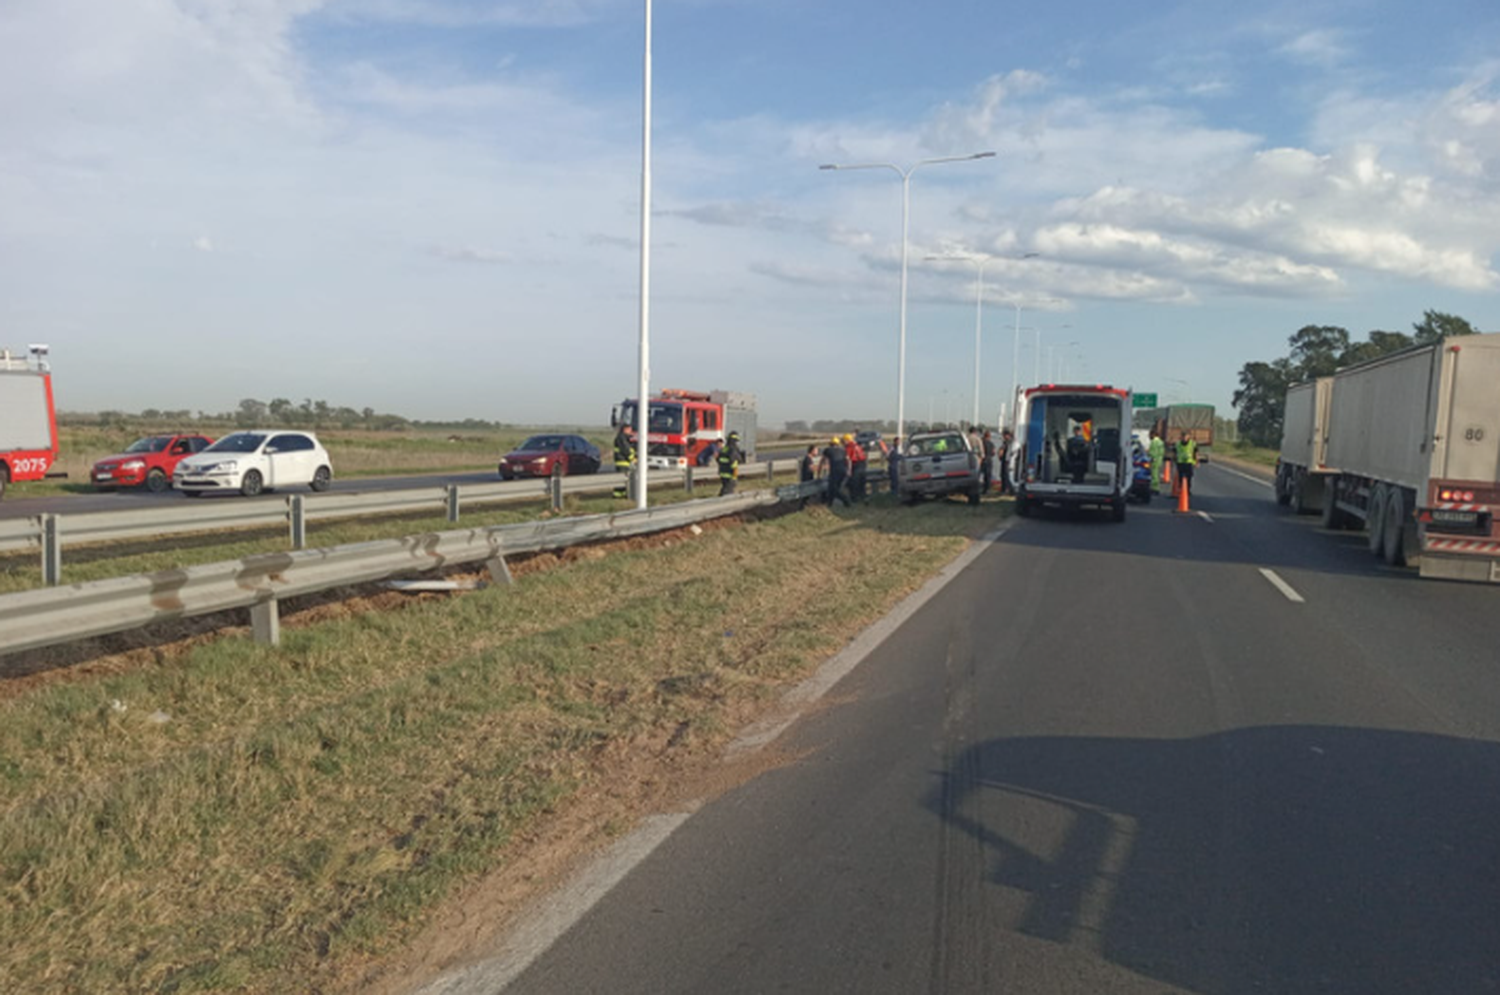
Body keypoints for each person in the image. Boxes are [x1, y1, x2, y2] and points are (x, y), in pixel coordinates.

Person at [820, 435, 850, 507]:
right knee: (832, 488)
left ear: (831, 444)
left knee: (834, 488)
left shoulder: (827, 450)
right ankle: (829, 503)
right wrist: (849, 470)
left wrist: (819, 472)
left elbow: (822, 461)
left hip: (835, 471)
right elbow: (848, 460)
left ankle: (846, 501)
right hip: (843, 471)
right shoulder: (843, 450)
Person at [716, 430, 744, 496]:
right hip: (730, 474)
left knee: (725, 488)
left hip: (722, 473)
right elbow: (734, 462)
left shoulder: (724, 449)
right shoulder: (733, 449)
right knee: (728, 492)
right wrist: (734, 476)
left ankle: (719, 499)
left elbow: (718, 459)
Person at [612, 424, 635, 498]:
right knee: (621, 479)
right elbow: (626, 449)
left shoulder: (624, 438)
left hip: (625, 462)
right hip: (622, 462)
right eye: (629, 429)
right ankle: (618, 495)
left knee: (624, 480)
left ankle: (622, 494)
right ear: (625, 429)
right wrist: (632, 458)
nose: (631, 431)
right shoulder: (621, 438)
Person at [845, 433, 868, 502]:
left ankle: (854, 498)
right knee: (862, 482)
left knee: (854, 483)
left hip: (855, 465)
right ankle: (863, 496)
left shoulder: (849, 447)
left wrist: (848, 470)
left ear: (847, 440)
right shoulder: (858, 446)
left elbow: (849, 459)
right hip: (862, 464)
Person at [1176, 430, 1198, 495]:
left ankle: (1187, 490)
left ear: (1189, 437)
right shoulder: (1178, 444)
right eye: (1183, 436)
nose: (1184, 438)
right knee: (1180, 477)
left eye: (1186, 436)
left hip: (1189, 463)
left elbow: (1195, 453)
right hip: (1180, 463)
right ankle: (1181, 489)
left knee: (1189, 477)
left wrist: (1196, 461)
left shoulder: (1192, 444)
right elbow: (1175, 452)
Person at [998, 429, 1015, 495]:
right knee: (1004, 475)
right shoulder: (1011, 441)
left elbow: (1002, 449)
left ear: (1007, 435)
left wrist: (1000, 454)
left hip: (1006, 460)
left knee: (1005, 475)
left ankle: (1008, 489)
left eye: (1004, 435)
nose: (1003, 437)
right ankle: (1005, 489)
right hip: (1006, 460)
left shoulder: (1008, 442)